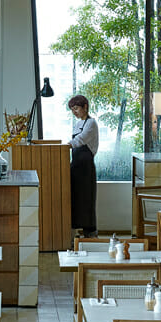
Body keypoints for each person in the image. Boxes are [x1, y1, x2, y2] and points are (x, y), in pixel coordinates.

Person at [68, 95, 99, 237]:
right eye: (72, 109)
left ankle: (90, 232)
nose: (74, 112)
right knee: (75, 198)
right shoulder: (78, 124)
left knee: (87, 199)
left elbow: (81, 139)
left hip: (86, 168)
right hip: (75, 167)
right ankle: (76, 229)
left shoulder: (91, 123)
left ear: (85, 107)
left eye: (76, 108)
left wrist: (67, 145)